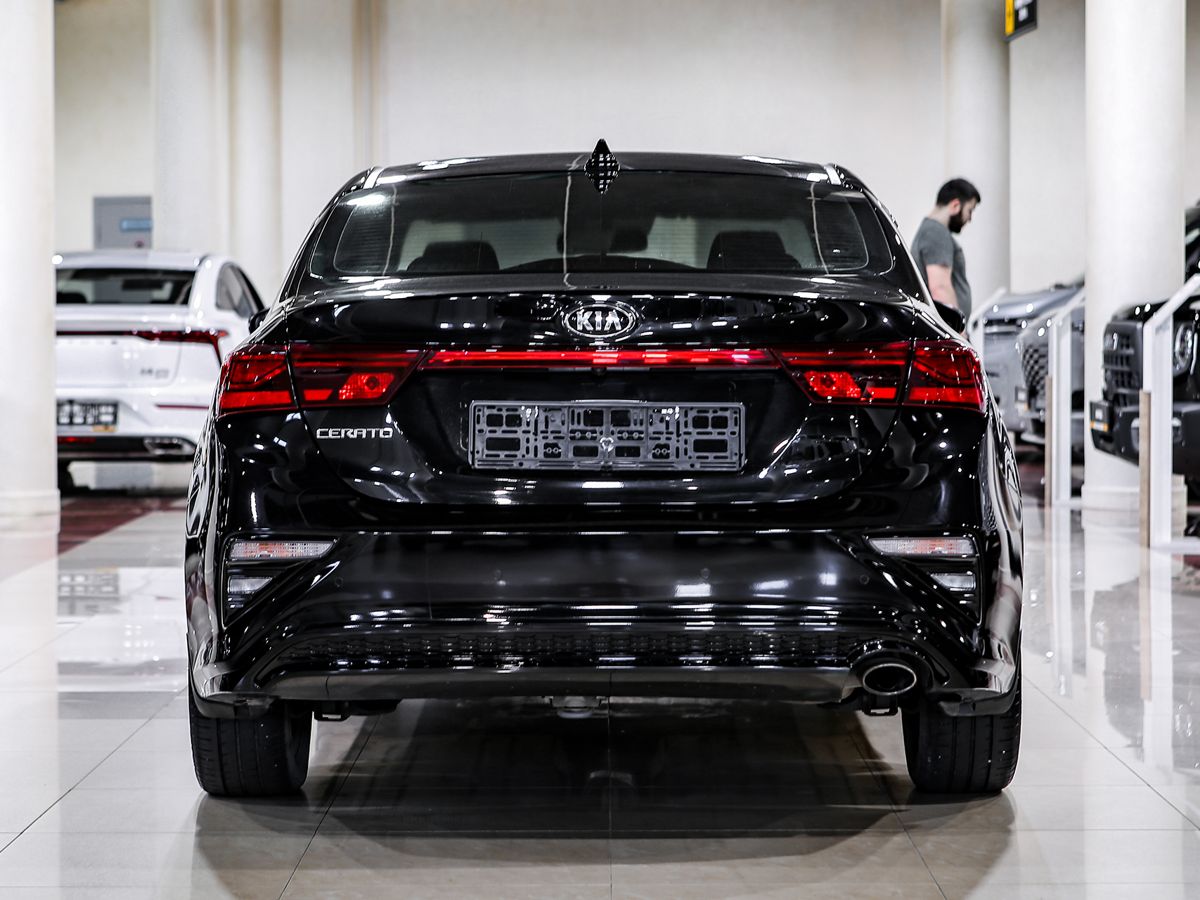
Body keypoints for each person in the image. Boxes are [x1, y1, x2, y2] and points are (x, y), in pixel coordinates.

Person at [911, 178, 981, 324]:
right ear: (956, 205)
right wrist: (956, 330)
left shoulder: (930, 230)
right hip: (949, 330)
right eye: (970, 210)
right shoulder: (936, 232)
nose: (969, 218)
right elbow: (940, 288)